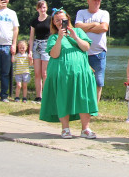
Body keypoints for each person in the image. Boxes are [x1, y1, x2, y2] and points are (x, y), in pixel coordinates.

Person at [40, 9, 98, 139]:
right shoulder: (53, 37)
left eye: (63, 20)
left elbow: (86, 48)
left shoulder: (78, 31)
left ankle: (85, 129)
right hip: (61, 74)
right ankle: (65, 129)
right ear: (54, 23)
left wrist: (75, 37)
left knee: (84, 98)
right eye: (57, 21)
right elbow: (54, 54)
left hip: (81, 73)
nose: (61, 23)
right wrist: (60, 38)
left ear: (68, 19)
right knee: (63, 99)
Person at [75, 0, 110, 102]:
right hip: (82, 52)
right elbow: (77, 27)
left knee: (98, 81)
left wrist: (86, 28)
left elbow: (104, 28)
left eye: (98, 0)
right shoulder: (81, 12)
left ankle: (95, 104)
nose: (96, 2)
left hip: (99, 53)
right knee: (82, 79)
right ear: (88, 1)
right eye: (94, 0)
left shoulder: (104, 13)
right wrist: (95, 24)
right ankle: (82, 102)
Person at [28, 0, 52, 102]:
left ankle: (46, 96)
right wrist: (30, 51)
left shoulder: (50, 19)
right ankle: (38, 96)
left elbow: (52, 34)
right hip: (36, 46)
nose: (43, 10)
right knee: (37, 73)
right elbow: (31, 36)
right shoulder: (34, 21)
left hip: (46, 45)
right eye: (41, 8)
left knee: (45, 73)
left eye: (44, 7)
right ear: (37, 9)